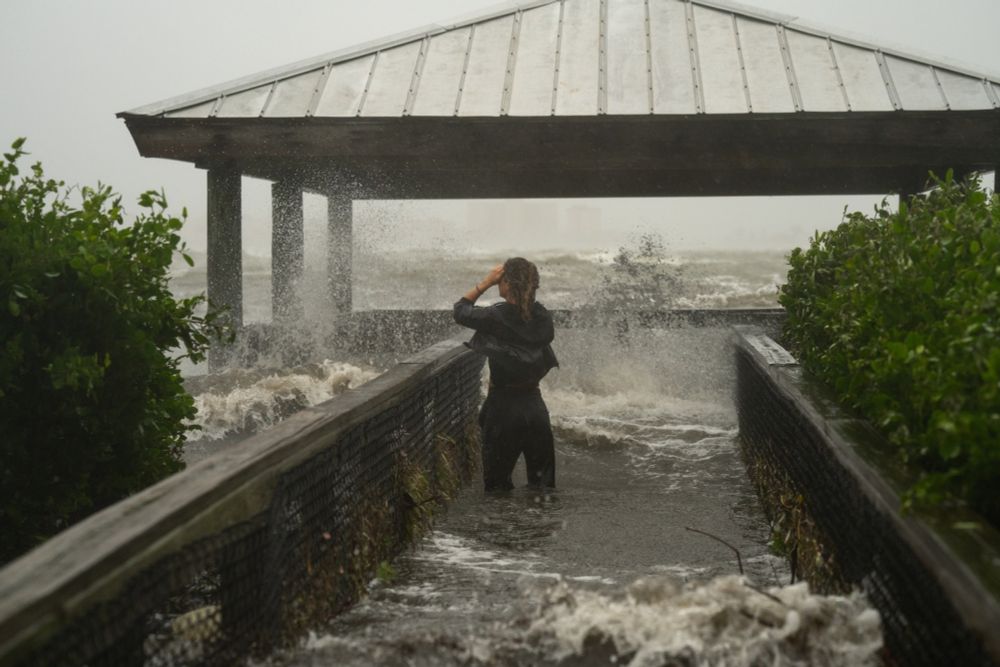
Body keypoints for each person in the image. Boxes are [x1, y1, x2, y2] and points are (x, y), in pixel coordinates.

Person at [454, 257, 558, 492]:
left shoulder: (495, 317)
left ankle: (505, 528)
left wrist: (486, 282)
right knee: (543, 488)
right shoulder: (543, 318)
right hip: (535, 408)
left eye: (501, 281)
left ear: (507, 284)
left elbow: (460, 311)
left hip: (503, 409)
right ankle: (540, 527)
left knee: (497, 487)